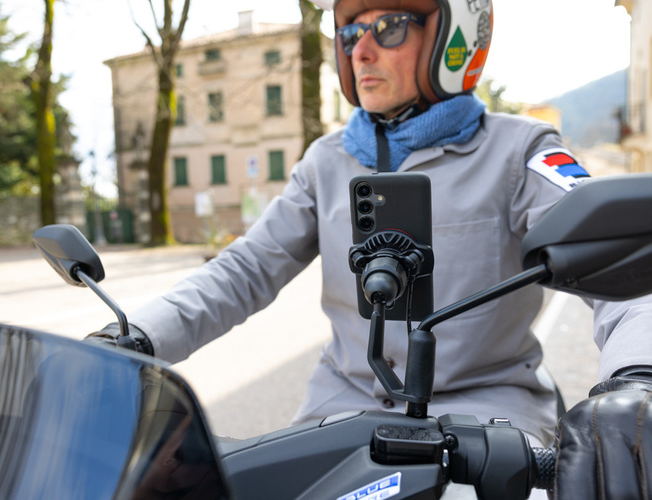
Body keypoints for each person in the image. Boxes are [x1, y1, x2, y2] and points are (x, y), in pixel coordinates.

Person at [91, 0, 652, 497]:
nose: (359, 50)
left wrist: (637, 380)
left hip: (486, 418)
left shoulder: (521, 150)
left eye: (388, 27)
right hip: (340, 415)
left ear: (451, 38)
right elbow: (245, 269)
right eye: (349, 32)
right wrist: (134, 339)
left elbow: (622, 267)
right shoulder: (324, 161)